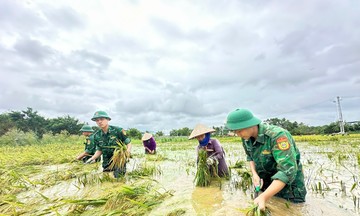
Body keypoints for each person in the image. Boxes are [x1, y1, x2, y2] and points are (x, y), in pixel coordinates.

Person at [225, 108, 306, 210]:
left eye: (239, 131)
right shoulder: (246, 139)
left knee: (292, 210)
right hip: (267, 184)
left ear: (250, 124)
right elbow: (250, 157)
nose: (238, 134)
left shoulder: (277, 136)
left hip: (289, 189)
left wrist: (264, 196)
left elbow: (287, 171)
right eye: (235, 132)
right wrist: (254, 174)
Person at [85, 111, 132, 178]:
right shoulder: (97, 135)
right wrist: (92, 158)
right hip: (106, 161)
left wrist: (127, 152)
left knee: (119, 179)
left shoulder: (118, 130)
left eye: (102, 119)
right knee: (106, 177)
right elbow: (99, 150)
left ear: (108, 119)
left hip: (119, 160)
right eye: (97, 120)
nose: (99, 122)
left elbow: (128, 143)